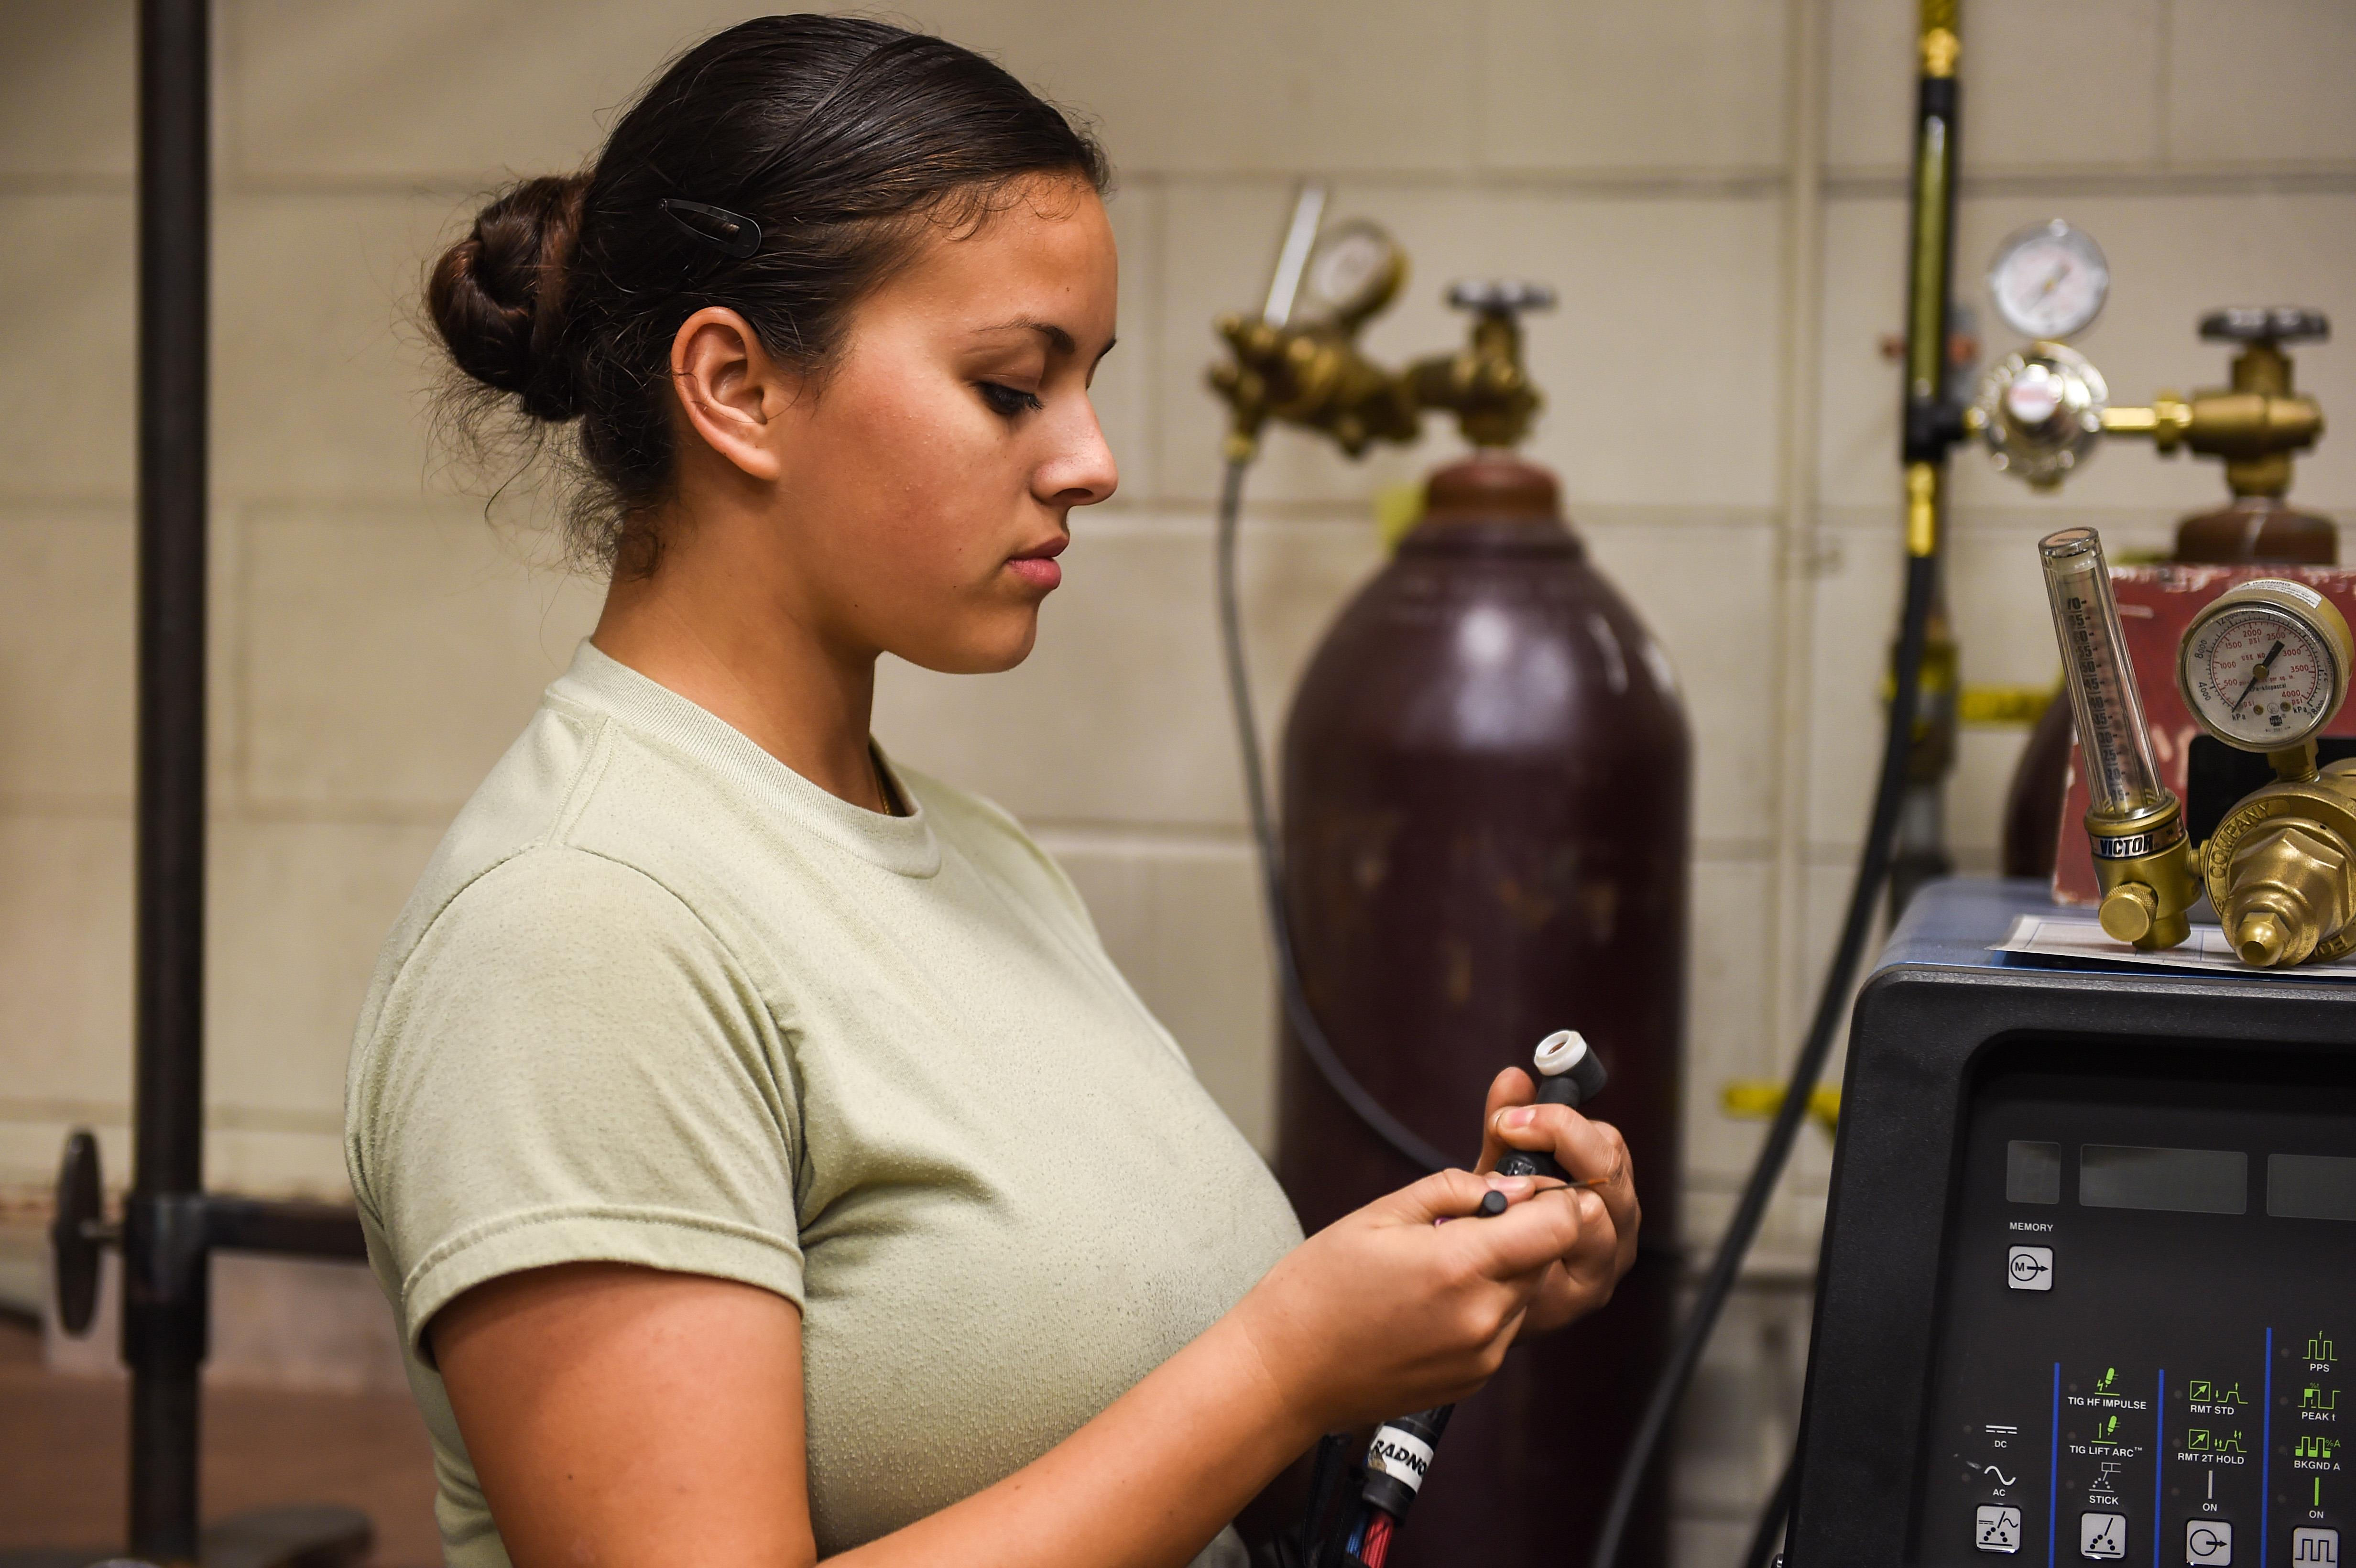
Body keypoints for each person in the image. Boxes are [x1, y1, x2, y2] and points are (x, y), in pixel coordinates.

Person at [344, 16, 1639, 1568]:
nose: (1092, 460)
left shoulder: (978, 856)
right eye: (1013, 388)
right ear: (737, 388)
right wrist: (1283, 1364)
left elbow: (1138, 1449)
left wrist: (1427, 1309)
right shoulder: (579, 930)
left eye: (1088, 383)